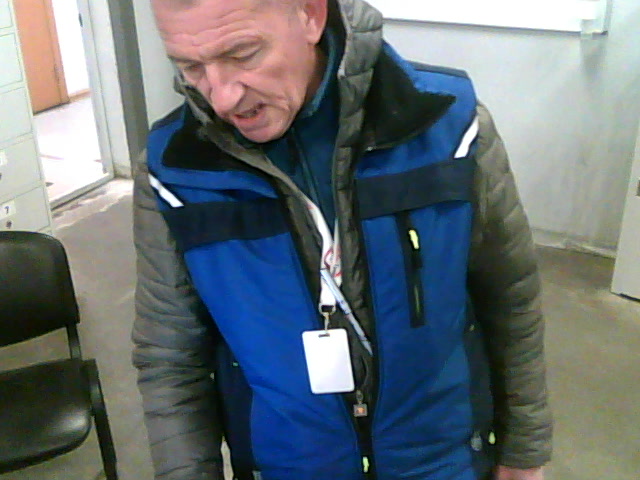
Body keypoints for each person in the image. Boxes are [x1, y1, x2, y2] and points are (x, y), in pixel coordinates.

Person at [132, 0, 553, 479]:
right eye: (191, 67)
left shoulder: (449, 128)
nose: (222, 98)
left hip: (442, 460)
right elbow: (170, 358)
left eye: (243, 53)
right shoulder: (175, 174)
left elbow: (511, 298)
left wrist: (524, 449)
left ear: (310, 15)